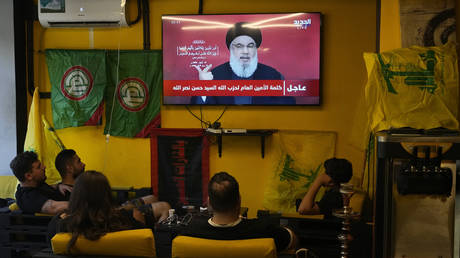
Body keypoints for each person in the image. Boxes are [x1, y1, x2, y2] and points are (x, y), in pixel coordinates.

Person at [47, 171, 171, 253]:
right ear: (107, 195)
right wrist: (140, 222)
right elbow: (144, 246)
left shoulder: (58, 224)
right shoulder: (126, 219)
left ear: (76, 196)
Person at [179, 171, 296, 252]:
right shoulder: (263, 231)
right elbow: (293, 240)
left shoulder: (190, 232)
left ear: (209, 203)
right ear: (239, 201)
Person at [193, 22, 295, 105]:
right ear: (230, 49)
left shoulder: (273, 75)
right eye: (239, 46)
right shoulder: (214, 76)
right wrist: (203, 87)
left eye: (250, 46)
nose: (245, 51)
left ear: (256, 49)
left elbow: (289, 105)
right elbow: (199, 112)